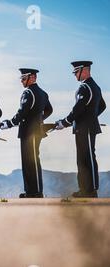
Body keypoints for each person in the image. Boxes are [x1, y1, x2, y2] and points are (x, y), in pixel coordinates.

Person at [55, 61, 106, 198]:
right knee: (82, 159)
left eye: (76, 72)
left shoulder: (86, 87)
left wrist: (65, 122)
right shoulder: (94, 86)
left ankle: (91, 189)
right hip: (83, 128)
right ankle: (84, 189)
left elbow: (78, 109)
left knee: (88, 157)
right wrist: (92, 116)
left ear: (84, 70)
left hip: (86, 128)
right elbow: (102, 106)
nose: (75, 75)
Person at [0, 68, 53, 198]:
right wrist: (39, 120)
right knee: (28, 161)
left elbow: (22, 112)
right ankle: (30, 191)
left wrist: (9, 123)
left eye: (24, 78)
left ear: (33, 77)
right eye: (21, 79)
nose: (22, 81)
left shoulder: (28, 93)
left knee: (32, 161)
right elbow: (49, 110)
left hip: (30, 131)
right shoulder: (43, 93)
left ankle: (36, 191)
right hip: (33, 130)